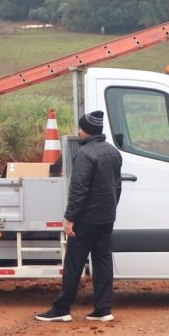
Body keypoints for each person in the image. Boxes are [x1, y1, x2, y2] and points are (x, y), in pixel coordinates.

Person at [36, 109, 123, 323]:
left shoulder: (84, 154)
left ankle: (62, 309)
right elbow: (117, 186)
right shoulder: (113, 152)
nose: (79, 131)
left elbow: (79, 190)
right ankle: (103, 309)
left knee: (74, 263)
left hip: (86, 219)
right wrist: (110, 209)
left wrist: (70, 218)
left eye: (81, 128)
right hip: (106, 217)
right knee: (103, 262)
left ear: (86, 131)